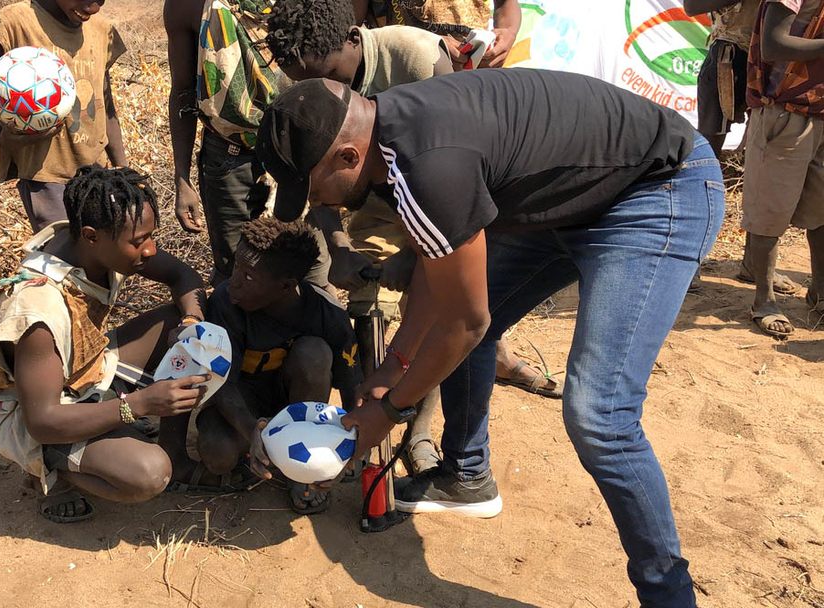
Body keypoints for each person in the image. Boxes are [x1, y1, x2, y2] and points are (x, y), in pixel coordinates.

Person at [255, 74, 723, 605]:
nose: (317, 202)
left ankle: (669, 597)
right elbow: (438, 275)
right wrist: (392, 366)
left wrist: (392, 410)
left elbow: (465, 321)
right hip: (569, 198)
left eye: (312, 187)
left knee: (600, 417)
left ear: (346, 156)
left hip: (657, 189)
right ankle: (467, 475)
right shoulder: (391, 140)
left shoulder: (428, 165)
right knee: (469, 332)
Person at [265, 0, 559, 475]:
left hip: (446, 194)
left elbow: (455, 188)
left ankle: (418, 429)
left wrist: (417, 254)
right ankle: (367, 424)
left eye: (332, 75)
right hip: (367, 193)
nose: (326, 89)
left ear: (354, 38)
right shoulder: (305, 86)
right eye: (311, 83)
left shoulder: (417, 58)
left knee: (440, 311)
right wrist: (339, 247)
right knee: (370, 308)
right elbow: (316, 180)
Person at [0, 165, 209, 522]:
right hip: (34, 414)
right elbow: (42, 421)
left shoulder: (97, 245)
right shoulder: (38, 309)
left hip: (86, 369)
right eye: (139, 241)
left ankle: (174, 452)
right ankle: (51, 473)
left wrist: (190, 323)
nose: (150, 249)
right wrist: (138, 405)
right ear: (91, 236)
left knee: (185, 324)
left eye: (150, 237)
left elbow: (182, 276)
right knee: (149, 473)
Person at [193, 217, 362, 514]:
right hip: (245, 402)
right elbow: (221, 382)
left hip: (299, 407)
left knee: (314, 353)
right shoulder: (226, 303)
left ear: (286, 286)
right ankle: (264, 452)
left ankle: (301, 471)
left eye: (248, 276)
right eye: (236, 267)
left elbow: (352, 385)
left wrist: (353, 447)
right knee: (217, 454)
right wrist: (251, 430)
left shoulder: (327, 314)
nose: (234, 281)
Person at [164, 0, 330, 287]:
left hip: (297, 149)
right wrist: (182, 179)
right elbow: (183, 90)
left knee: (309, 266)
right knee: (237, 273)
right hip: (230, 157)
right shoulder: (186, 6)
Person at [0, 0, 128, 232]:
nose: (94, 8)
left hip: (98, 174)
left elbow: (105, 103)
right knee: (63, 252)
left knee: (105, 250)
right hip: (46, 181)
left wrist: (123, 170)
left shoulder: (102, 30)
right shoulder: (15, 23)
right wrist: (0, 137)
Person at [686, 0, 800, 296]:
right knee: (705, 160)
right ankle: (688, 262)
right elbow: (691, 6)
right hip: (730, 57)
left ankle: (755, 265)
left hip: (771, 66)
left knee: (764, 163)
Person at [742, 0, 824, 338]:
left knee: (821, 212)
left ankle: (820, 293)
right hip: (785, 111)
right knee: (770, 211)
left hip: (820, 110)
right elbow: (774, 45)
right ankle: (764, 300)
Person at [357, 0, 520, 68]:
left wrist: (507, 31)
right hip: (402, 79)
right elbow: (351, 33)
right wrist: (422, 44)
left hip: (472, 80)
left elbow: (506, 3)